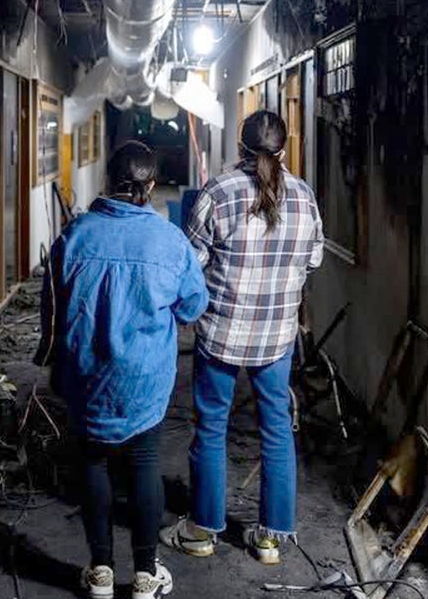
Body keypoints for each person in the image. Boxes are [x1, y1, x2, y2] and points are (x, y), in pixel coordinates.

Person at [38, 141, 207, 599]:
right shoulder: (170, 240)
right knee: (144, 466)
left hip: (87, 374)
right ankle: (147, 575)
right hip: (145, 380)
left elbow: (51, 307)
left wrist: (51, 359)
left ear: (109, 181)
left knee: (92, 464)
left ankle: (101, 573)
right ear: (150, 186)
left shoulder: (76, 236)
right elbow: (193, 305)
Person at [160, 110, 324, 564]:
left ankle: (202, 532)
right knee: (276, 428)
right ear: (284, 149)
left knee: (211, 426)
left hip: (222, 332)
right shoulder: (305, 196)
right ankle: (271, 539)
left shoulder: (219, 191)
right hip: (276, 337)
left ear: (240, 147)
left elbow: (191, 263)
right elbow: (314, 260)